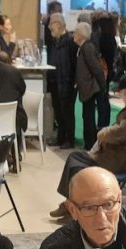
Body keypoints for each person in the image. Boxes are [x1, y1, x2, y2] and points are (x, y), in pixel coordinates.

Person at [49, 73, 126, 218]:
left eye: (122, 94)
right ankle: (70, 204)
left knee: (76, 165)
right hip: (116, 153)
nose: (122, 98)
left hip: (119, 159)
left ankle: (71, 206)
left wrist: (102, 134)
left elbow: (119, 132)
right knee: (75, 158)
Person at [74, 21, 106, 150]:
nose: (74, 36)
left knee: (89, 117)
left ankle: (90, 144)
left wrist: (102, 85)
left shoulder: (87, 47)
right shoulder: (83, 47)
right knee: (87, 116)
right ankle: (89, 143)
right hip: (87, 87)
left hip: (90, 88)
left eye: (76, 33)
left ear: (81, 34)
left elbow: (96, 68)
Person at [47, 13, 76, 149]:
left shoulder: (70, 42)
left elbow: (74, 64)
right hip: (55, 81)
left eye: (51, 25)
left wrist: (72, 82)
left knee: (67, 112)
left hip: (66, 83)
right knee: (58, 111)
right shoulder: (55, 41)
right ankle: (60, 138)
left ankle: (69, 139)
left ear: (58, 24)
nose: (49, 27)